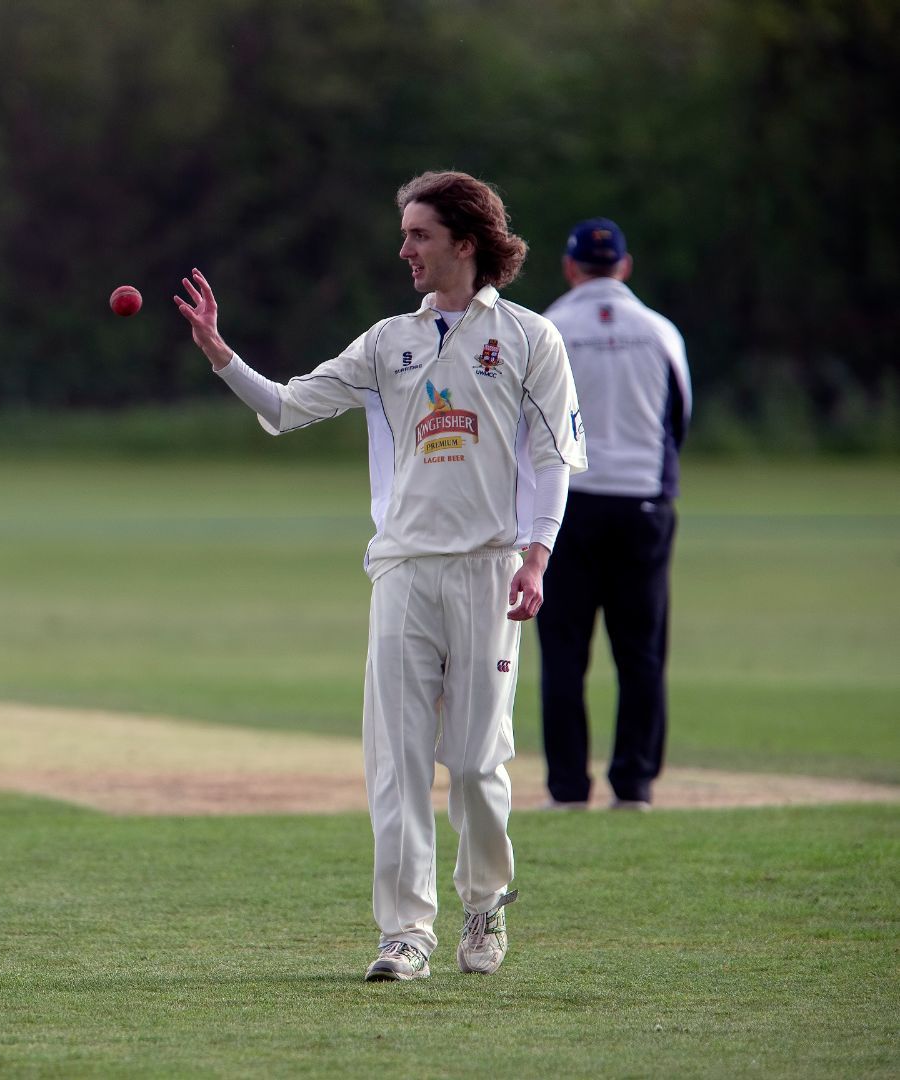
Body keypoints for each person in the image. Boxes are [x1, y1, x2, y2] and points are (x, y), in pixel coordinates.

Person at [173, 171, 586, 982]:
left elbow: (554, 457)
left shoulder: (531, 338)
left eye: (419, 236)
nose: (405, 251)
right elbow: (288, 406)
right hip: (401, 569)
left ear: (465, 243)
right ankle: (406, 933)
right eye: (404, 236)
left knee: (476, 762)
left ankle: (484, 903)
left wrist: (538, 555)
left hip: (488, 569)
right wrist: (222, 356)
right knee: (396, 761)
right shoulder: (388, 340)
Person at [537, 220, 692, 810]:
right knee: (641, 652)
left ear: (569, 267)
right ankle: (634, 784)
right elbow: (679, 418)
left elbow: (526, 418)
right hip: (642, 503)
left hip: (566, 506)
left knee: (563, 654)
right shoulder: (659, 330)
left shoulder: (549, 328)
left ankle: (567, 789)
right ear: (624, 267)